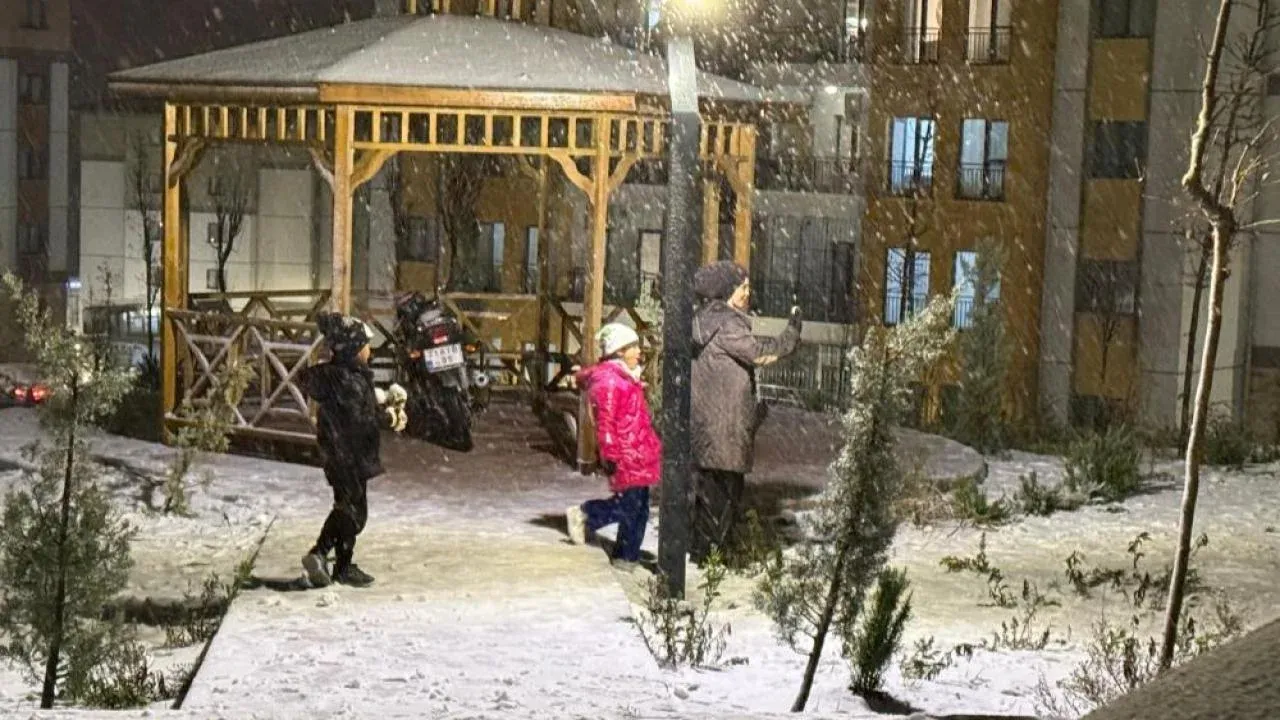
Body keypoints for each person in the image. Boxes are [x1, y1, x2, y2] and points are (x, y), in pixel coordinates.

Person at [689, 260, 801, 565]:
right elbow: (760, 353)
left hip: (710, 428)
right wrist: (791, 333)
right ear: (727, 291)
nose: (747, 293)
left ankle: (704, 551)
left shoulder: (706, 321)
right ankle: (710, 558)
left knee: (711, 496)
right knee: (723, 496)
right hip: (724, 429)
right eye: (742, 287)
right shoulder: (727, 324)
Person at [298, 313, 407, 588]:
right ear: (354, 350)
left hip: (339, 453)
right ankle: (320, 552)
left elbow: (358, 409)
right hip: (349, 455)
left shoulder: (342, 377)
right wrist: (389, 418)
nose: (370, 351)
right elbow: (362, 418)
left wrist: (382, 403)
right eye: (366, 346)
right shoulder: (350, 381)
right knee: (353, 513)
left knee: (348, 507)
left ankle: (342, 565)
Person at [565, 323, 662, 570]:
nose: (639, 352)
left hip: (638, 452)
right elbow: (605, 422)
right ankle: (586, 514)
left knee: (639, 509)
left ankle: (627, 556)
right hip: (625, 454)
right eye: (633, 347)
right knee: (629, 507)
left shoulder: (626, 378)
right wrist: (609, 454)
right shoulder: (610, 381)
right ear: (619, 351)